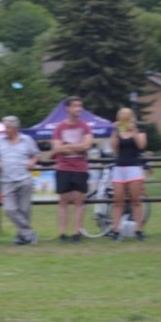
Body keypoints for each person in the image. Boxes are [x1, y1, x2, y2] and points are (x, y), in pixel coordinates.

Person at [0, 115, 41, 246]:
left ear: (15, 128)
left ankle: (22, 237)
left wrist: (32, 162)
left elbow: (36, 154)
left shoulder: (27, 140)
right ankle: (29, 233)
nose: (5, 130)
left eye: (7, 127)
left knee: (24, 210)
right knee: (9, 209)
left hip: (24, 178)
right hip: (7, 180)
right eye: (5, 127)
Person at [51, 96, 93, 243]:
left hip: (80, 168)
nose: (79, 109)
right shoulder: (59, 128)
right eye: (75, 106)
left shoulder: (85, 126)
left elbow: (87, 145)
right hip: (64, 168)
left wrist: (67, 146)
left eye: (80, 106)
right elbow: (56, 148)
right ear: (67, 108)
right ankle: (62, 233)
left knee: (79, 201)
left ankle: (76, 233)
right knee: (63, 201)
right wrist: (77, 147)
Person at [108, 107, 148, 241]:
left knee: (135, 200)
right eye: (122, 116)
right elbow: (114, 149)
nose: (124, 118)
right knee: (117, 201)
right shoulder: (118, 131)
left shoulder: (139, 130)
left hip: (133, 166)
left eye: (126, 116)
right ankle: (116, 229)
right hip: (119, 166)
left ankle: (139, 229)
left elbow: (141, 145)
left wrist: (134, 131)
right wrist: (114, 131)